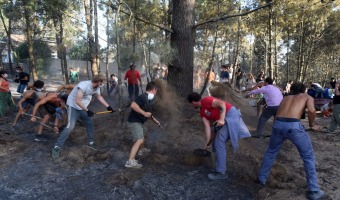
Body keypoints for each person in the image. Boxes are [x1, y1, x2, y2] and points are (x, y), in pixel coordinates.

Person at [257, 82, 325, 200]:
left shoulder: (286, 97)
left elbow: (278, 113)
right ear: (304, 90)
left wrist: (276, 128)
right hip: (293, 126)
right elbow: (312, 111)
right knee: (308, 156)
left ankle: (261, 179)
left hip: (278, 124)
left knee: (271, 152)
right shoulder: (307, 97)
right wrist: (312, 124)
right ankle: (314, 190)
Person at [187, 92, 250, 180]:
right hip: (223, 119)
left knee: (219, 142)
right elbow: (207, 127)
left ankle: (221, 172)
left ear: (193, 102)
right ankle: (218, 168)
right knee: (215, 143)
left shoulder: (206, 100)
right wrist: (208, 142)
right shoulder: (202, 112)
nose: (191, 106)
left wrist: (221, 119)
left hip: (230, 114)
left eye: (191, 104)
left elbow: (222, 104)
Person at [51, 74, 114, 159]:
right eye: (102, 82)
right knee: (70, 127)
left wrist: (108, 106)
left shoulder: (97, 87)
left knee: (89, 123)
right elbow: (77, 101)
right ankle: (57, 147)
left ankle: (91, 143)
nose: (102, 84)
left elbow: (98, 96)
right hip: (73, 106)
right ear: (98, 81)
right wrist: (87, 111)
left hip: (82, 108)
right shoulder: (83, 85)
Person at [125, 81, 160, 168]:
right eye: (156, 91)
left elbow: (148, 113)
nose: (156, 93)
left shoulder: (148, 99)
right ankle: (130, 161)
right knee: (139, 139)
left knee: (145, 132)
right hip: (134, 122)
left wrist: (155, 121)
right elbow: (133, 105)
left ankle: (142, 150)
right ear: (153, 90)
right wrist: (144, 113)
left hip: (139, 122)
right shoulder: (143, 97)